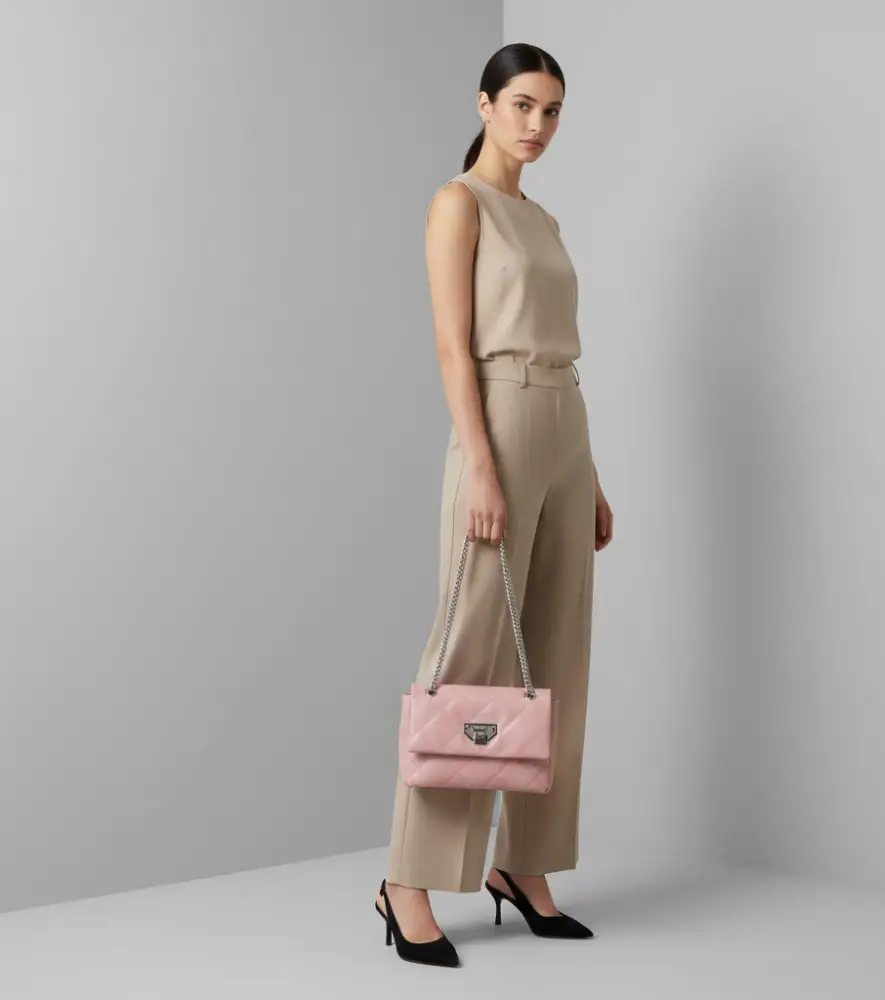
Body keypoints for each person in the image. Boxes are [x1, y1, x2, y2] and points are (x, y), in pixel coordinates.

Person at [374, 42, 614, 969]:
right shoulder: (459, 203)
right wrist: (479, 462)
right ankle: (409, 878)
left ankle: (526, 864)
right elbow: (452, 343)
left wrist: (589, 475)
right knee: (471, 653)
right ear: (484, 105)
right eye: (522, 105)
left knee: (557, 659)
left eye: (552, 111)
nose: (538, 125)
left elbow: (561, 346)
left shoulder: (542, 218)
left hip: (565, 424)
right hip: (499, 423)